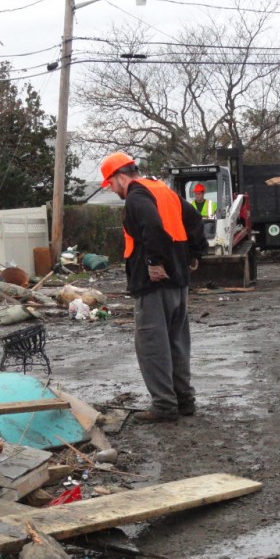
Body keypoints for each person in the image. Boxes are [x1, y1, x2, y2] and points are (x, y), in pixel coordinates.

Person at [100, 152, 208, 423]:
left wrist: (154, 262)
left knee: (152, 345)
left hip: (153, 284)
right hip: (178, 282)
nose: (112, 190)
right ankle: (184, 401)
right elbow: (194, 219)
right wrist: (194, 253)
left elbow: (152, 226)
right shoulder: (163, 190)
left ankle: (163, 406)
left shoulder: (137, 197)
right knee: (176, 342)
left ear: (121, 177)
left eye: (110, 184)